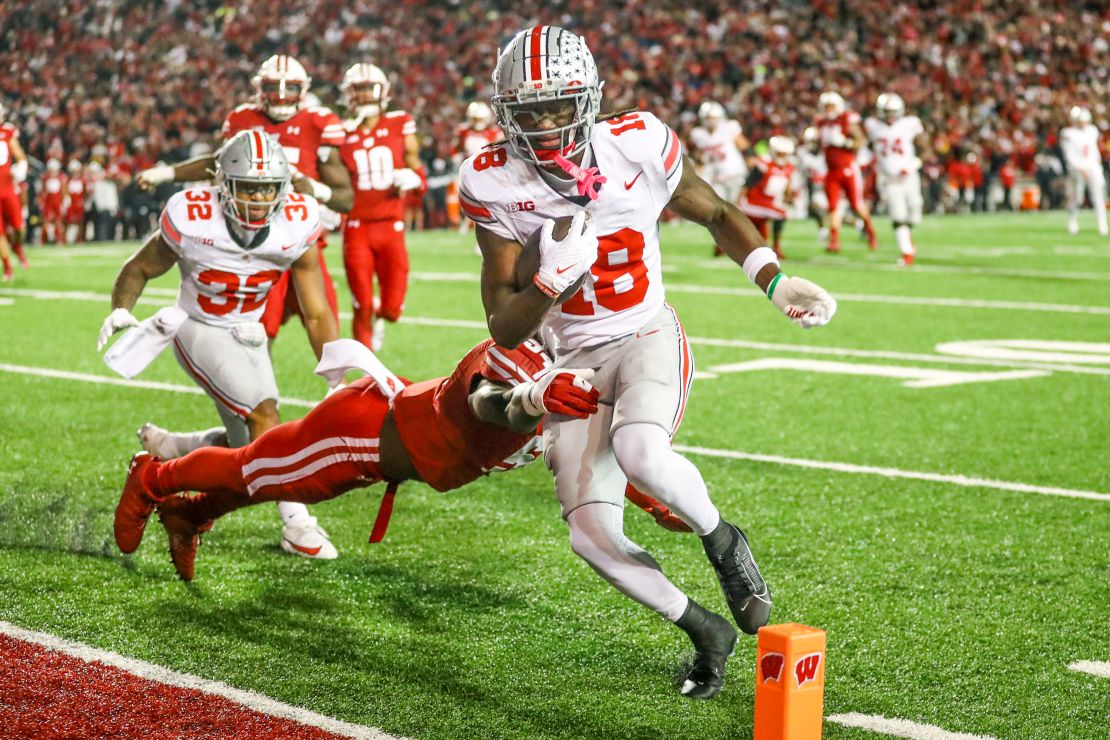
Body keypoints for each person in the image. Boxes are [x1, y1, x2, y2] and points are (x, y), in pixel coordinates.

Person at [459, 25, 837, 700]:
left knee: (640, 451)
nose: (543, 124)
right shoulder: (493, 181)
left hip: (644, 333)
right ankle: (703, 629)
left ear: (590, 100)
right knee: (589, 534)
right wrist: (550, 287)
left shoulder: (637, 142)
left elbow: (717, 212)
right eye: (527, 111)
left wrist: (777, 282)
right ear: (503, 111)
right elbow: (504, 326)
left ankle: (724, 543)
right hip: (570, 360)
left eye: (556, 106)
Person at [114, 337, 601, 581]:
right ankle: (154, 477)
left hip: (378, 445)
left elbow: (589, 453)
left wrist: (648, 493)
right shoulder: (527, 362)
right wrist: (535, 398)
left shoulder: (574, 382)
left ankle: (189, 513)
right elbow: (488, 401)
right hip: (358, 436)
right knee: (251, 469)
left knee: (269, 479)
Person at [98, 130, 341, 561]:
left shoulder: (299, 220)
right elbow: (139, 267)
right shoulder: (193, 216)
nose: (259, 201)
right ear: (222, 186)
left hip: (247, 330)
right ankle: (297, 523)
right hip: (197, 325)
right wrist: (120, 308)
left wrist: (335, 368)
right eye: (248, 189)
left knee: (243, 451)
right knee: (266, 416)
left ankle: (169, 450)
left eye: (268, 190)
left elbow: (316, 310)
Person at [137, 54, 354, 343]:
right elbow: (218, 163)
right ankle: (255, 387)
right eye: (273, 87)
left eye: (289, 87)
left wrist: (316, 189)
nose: (280, 95)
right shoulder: (242, 119)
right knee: (259, 329)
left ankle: (337, 385)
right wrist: (166, 174)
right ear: (258, 88)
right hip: (257, 240)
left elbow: (345, 199)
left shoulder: (319, 122)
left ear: (303, 90)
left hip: (300, 238)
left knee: (323, 317)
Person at [336, 62, 425, 352]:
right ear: (348, 94)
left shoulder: (399, 123)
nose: (364, 96)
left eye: (369, 88)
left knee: (392, 309)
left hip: (391, 225)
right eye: (358, 90)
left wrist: (414, 179)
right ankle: (364, 368)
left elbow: (416, 167)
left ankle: (381, 316)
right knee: (361, 303)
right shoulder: (339, 133)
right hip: (356, 227)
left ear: (383, 91)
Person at [864, 93, 928, 266]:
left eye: (892, 111)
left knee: (916, 209)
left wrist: (914, 164)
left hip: (909, 175)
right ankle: (906, 251)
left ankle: (908, 234)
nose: (890, 115)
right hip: (888, 178)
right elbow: (867, 146)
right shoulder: (872, 125)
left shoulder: (909, 124)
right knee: (898, 214)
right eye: (886, 111)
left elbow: (924, 147)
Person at [814, 91, 878, 253]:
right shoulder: (821, 123)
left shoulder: (846, 119)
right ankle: (834, 240)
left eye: (831, 106)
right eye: (826, 106)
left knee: (857, 204)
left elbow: (861, 141)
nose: (828, 109)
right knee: (833, 206)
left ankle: (870, 231)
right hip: (831, 171)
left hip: (848, 168)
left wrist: (845, 142)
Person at [688, 101, 749, 256]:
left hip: (735, 173)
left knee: (736, 210)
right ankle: (723, 243)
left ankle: (742, 242)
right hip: (718, 176)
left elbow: (744, 147)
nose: (711, 121)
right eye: (708, 117)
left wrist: (753, 163)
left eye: (713, 117)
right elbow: (699, 155)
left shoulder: (729, 128)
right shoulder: (699, 134)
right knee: (719, 211)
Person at [740, 136, 796, 259]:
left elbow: (786, 187)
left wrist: (789, 199)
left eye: (785, 154)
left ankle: (722, 247)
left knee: (759, 241)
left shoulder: (788, 168)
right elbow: (747, 185)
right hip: (753, 203)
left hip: (766, 205)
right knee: (782, 214)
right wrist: (738, 203)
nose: (782, 157)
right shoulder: (763, 165)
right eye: (780, 153)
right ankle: (776, 248)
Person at [452, 101, 503, 235]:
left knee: (487, 200)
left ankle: (488, 225)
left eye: (479, 118)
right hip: (467, 169)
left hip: (488, 171)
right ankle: (464, 222)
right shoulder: (463, 131)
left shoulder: (493, 132)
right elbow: (455, 148)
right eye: (475, 118)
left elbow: (500, 152)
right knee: (465, 197)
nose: (477, 121)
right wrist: (456, 156)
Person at [1059, 106, 1107, 236]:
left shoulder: (1092, 130)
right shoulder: (1068, 133)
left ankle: (1102, 224)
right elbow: (1069, 156)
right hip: (1077, 170)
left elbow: (1093, 152)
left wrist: (1095, 166)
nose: (1083, 124)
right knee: (1077, 198)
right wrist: (1080, 169)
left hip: (1093, 167)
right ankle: (1072, 221)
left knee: (1098, 197)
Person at [0, 101, 29, 279]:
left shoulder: (7, 132)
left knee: (19, 228)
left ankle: (17, 247)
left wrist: (21, 168)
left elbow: (20, 156)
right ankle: (7, 265)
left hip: (7, 186)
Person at [797, 126, 829, 244]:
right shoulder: (802, 152)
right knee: (814, 208)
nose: (812, 144)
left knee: (820, 208)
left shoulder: (825, 153)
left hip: (825, 184)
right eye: (810, 141)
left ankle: (824, 231)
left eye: (815, 141)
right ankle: (824, 230)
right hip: (811, 185)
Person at [39, 158, 65, 244]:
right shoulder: (45, 177)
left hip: (57, 201)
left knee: (58, 221)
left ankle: (59, 239)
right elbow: (43, 190)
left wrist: (65, 200)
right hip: (48, 201)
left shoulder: (61, 177)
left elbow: (63, 190)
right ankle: (43, 240)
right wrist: (41, 201)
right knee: (46, 221)